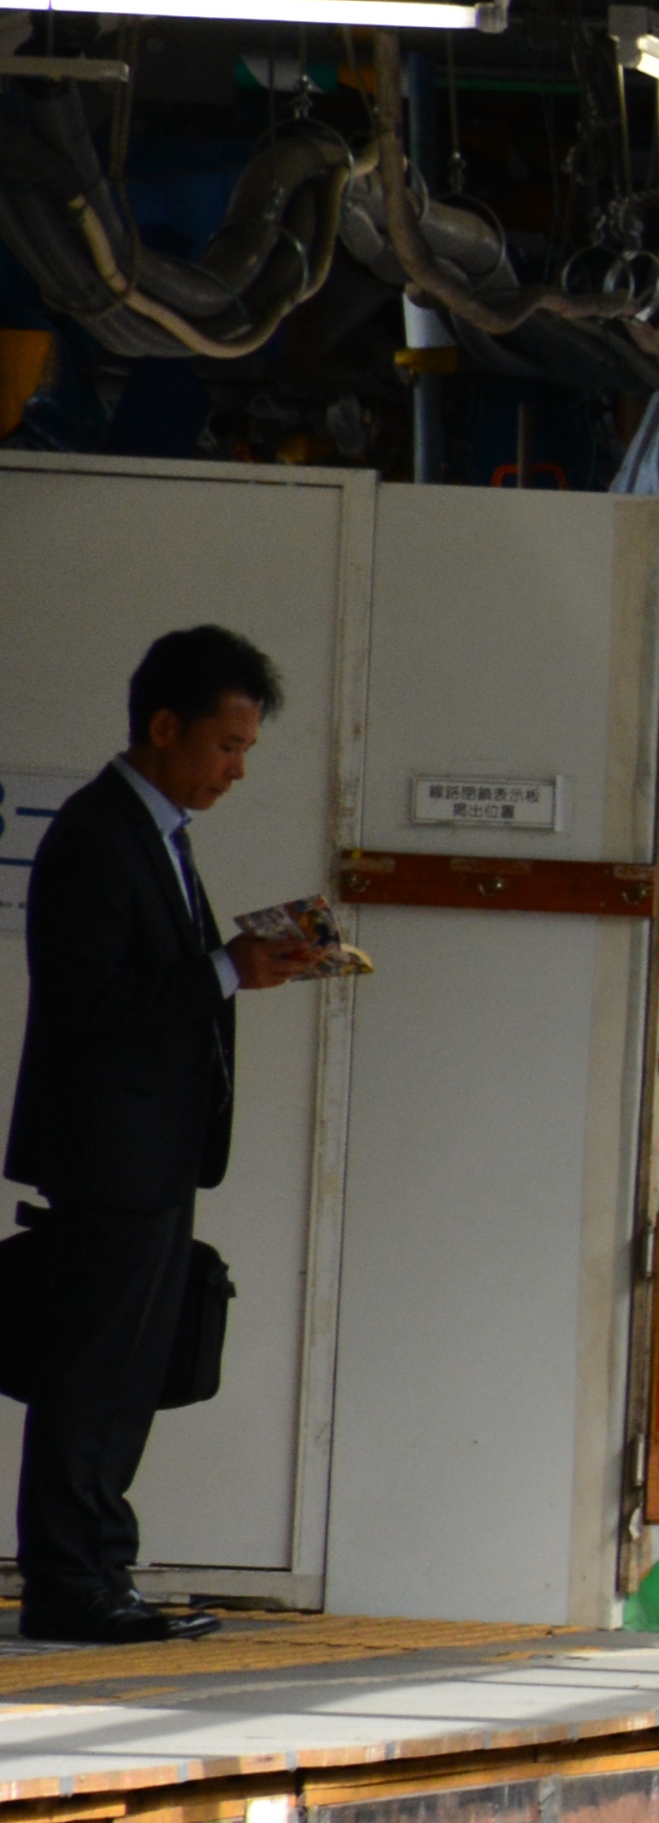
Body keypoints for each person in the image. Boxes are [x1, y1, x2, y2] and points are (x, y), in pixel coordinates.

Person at [9, 626, 339, 1645]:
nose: (236, 770)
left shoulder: (157, 832)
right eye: (226, 746)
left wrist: (247, 961)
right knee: (96, 1370)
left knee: (130, 1369)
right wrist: (231, 967)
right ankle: (72, 1581)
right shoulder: (98, 835)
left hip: (151, 1150)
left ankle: (100, 1568)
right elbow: (93, 998)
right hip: (109, 1151)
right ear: (165, 728)